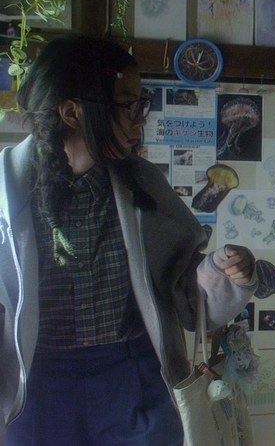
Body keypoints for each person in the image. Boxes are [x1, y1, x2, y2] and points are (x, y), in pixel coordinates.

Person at [0, 35, 258, 445]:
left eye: (143, 104)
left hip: (133, 378)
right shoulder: (7, 192)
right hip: (36, 384)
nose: (141, 119)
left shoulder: (143, 183)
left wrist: (222, 272)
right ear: (72, 112)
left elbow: (181, 286)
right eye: (128, 105)